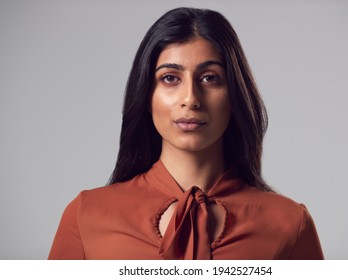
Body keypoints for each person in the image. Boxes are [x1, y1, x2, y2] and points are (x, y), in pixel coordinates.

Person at [48, 7, 324, 260]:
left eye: (210, 78)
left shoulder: (289, 224)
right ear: (146, 95)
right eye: (170, 78)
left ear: (235, 95)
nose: (190, 98)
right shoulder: (86, 216)